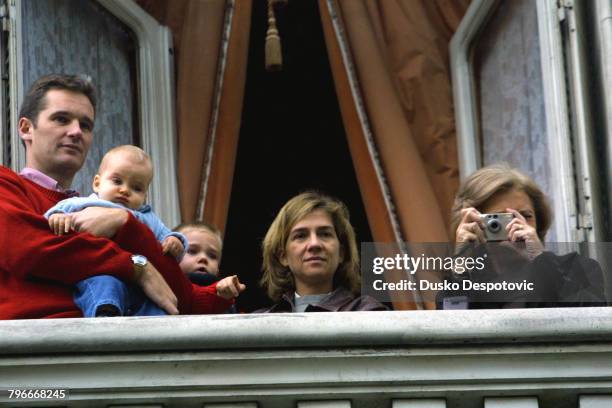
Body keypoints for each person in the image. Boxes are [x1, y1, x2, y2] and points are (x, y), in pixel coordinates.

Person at [0, 73, 240, 319]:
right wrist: (136, 266)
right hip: (36, 348)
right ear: (26, 128)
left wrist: (123, 223)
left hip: (115, 346)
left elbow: (182, 299)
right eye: (61, 119)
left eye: (86, 125)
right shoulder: (6, 185)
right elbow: (28, 249)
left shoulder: (112, 209)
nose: (76, 132)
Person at [42, 145, 242, 317]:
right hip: (100, 270)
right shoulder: (82, 203)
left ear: (145, 195)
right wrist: (57, 217)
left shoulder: (146, 217)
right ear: (97, 182)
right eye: (117, 181)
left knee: (158, 304)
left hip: (142, 284)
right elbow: (47, 220)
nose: (125, 190)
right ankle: (105, 317)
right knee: (104, 285)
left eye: (136, 188)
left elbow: (169, 237)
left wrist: (175, 242)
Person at [437, 163, 606, 309]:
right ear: (475, 225)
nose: (516, 225)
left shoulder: (575, 269)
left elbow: (590, 322)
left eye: (526, 216)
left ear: (539, 222)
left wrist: (541, 258)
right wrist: (461, 267)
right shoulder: (467, 284)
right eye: (499, 220)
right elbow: (450, 328)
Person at [256, 191, 388, 312]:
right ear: (282, 256)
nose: (314, 244)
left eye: (325, 234)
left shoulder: (369, 313)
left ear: (341, 253)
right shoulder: (260, 322)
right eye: (301, 236)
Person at [176, 221, 243, 312]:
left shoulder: (224, 293)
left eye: (212, 256)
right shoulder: (164, 287)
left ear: (218, 269)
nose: (203, 258)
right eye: (192, 251)